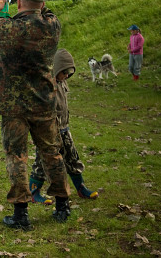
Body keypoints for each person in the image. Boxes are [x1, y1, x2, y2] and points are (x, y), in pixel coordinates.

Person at [0, 0, 70, 230]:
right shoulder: (52, 27)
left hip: (13, 104)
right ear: (41, 4)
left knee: (17, 156)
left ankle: (21, 213)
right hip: (44, 103)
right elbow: (47, 12)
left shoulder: (7, 28)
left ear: (18, 4)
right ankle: (62, 205)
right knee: (52, 153)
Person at [30, 48, 98, 206]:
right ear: (57, 68)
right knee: (42, 161)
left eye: (70, 72)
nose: (67, 75)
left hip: (64, 128)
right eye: (65, 71)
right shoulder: (46, 84)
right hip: (48, 132)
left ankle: (81, 188)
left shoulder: (62, 82)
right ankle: (33, 192)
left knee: (72, 158)